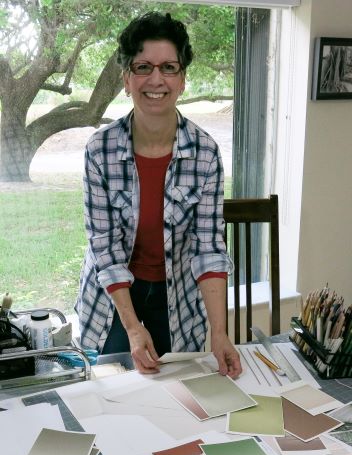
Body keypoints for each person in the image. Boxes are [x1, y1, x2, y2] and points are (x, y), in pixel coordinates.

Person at [75, 11, 242, 378]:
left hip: (177, 299)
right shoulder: (99, 150)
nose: (156, 79)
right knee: (113, 395)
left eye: (169, 67)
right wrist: (133, 328)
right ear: (126, 79)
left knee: (178, 396)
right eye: (143, 67)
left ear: (182, 80)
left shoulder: (205, 152)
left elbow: (209, 248)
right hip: (114, 300)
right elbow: (103, 247)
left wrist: (219, 332)